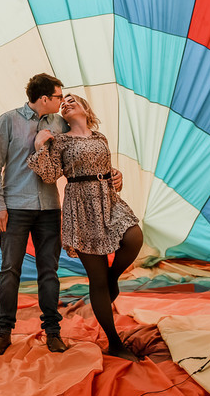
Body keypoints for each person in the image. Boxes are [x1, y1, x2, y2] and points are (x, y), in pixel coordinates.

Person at [28, 93, 144, 360]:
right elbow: (48, 175)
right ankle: (114, 343)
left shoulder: (99, 137)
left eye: (73, 100)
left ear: (85, 108)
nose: (67, 103)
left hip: (108, 199)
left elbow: (104, 167)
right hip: (81, 206)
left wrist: (117, 175)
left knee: (134, 237)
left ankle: (111, 280)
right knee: (97, 279)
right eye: (64, 102)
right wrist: (39, 146)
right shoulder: (61, 140)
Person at [0, 73, 69, 356]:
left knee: (50, 272)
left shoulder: (60, 123)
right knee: (10, 271)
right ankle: (3, 332)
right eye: (58, 96)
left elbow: (78, 153)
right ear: (44, 98)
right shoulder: (8, 121)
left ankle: (53, 332)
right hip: (16, 208)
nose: (62, 100)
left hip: (49, 209)